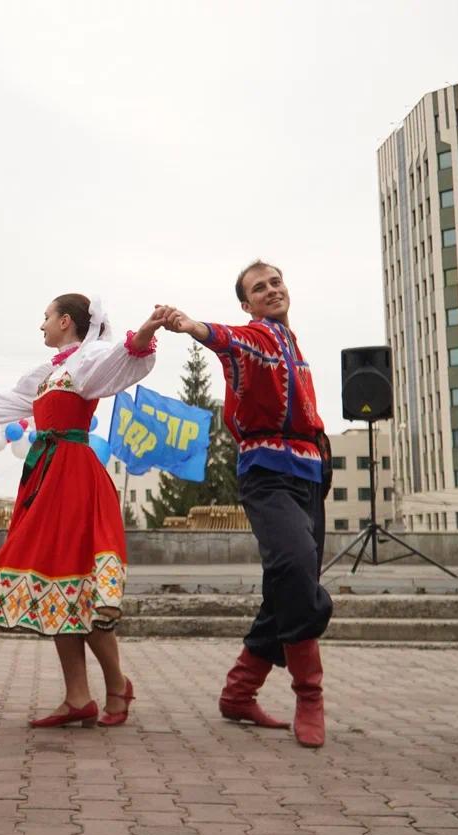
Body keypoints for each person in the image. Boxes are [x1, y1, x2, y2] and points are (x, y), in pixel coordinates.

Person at [0, 295, 159, 728]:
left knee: (81, 583)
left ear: (64, 321)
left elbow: (125, 358)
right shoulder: (51, 372)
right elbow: (16, 399)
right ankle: (78, 697)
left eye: (45, 317)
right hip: (46, 473)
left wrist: (149, 328)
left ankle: (116, 684)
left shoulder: (89, 360)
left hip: (74, 476)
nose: (40, 325)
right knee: (58, 582)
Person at [157, 260, 332, 748]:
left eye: (276, 282)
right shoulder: (256, 337)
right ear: (246, 303)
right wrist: (194, 327)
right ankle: (310, 696)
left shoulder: (294, 344)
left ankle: (239, 693)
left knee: (289, 587)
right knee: (297, 572)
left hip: (309, 474)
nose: (272, 290)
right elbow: (229, 340)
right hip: (267, 475)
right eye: (260, 287)